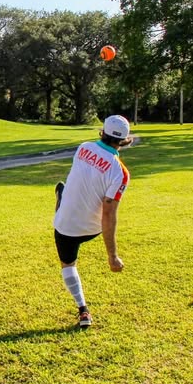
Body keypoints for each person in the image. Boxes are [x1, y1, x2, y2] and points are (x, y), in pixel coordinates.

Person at [53, 115, 132, 328]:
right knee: (71, 196)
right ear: (124, 140)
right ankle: (61, 196)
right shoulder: (121, 173)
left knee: (68, 265)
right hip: (93, 228)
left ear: (102, 131)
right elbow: (108, 214)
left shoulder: (83, 147)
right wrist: (112, 256)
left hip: (65, 226)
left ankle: (83, 310)